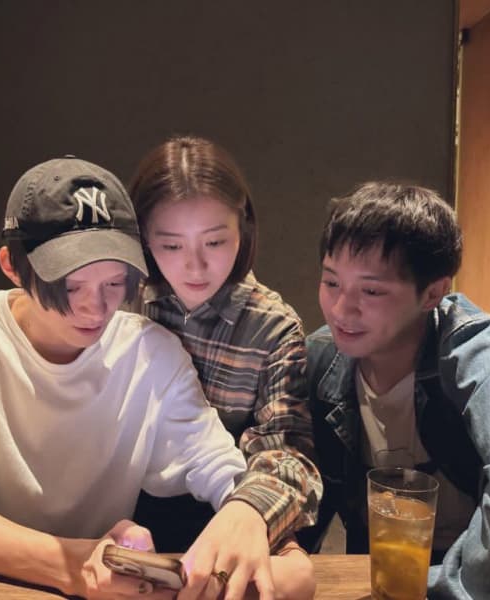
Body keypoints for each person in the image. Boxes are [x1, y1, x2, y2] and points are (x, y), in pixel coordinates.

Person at [0, 156, 290, 600]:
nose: (95, 308)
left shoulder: (151, 354)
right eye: (71, 286)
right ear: (12, 265)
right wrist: (72, 565)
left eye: (114, 283)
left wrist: (251, 516)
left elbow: (219, 467)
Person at [299, 181, 490, 598]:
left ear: (433, 293)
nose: (340, 309)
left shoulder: (484, 355)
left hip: (483, 579)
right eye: (331, 282)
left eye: (371, 290)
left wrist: (428, 588)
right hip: (377, 573)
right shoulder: (320, 361)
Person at [129, 135, 321, 597]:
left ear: (244, 228)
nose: (195, 266)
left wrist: (248, 508)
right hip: (123, 509)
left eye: (215, 241)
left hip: (228, 506)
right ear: (144, 239)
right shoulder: (125, 302)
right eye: (171, 245)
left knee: (295, 579)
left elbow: (287, 452)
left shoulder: (271, 326)